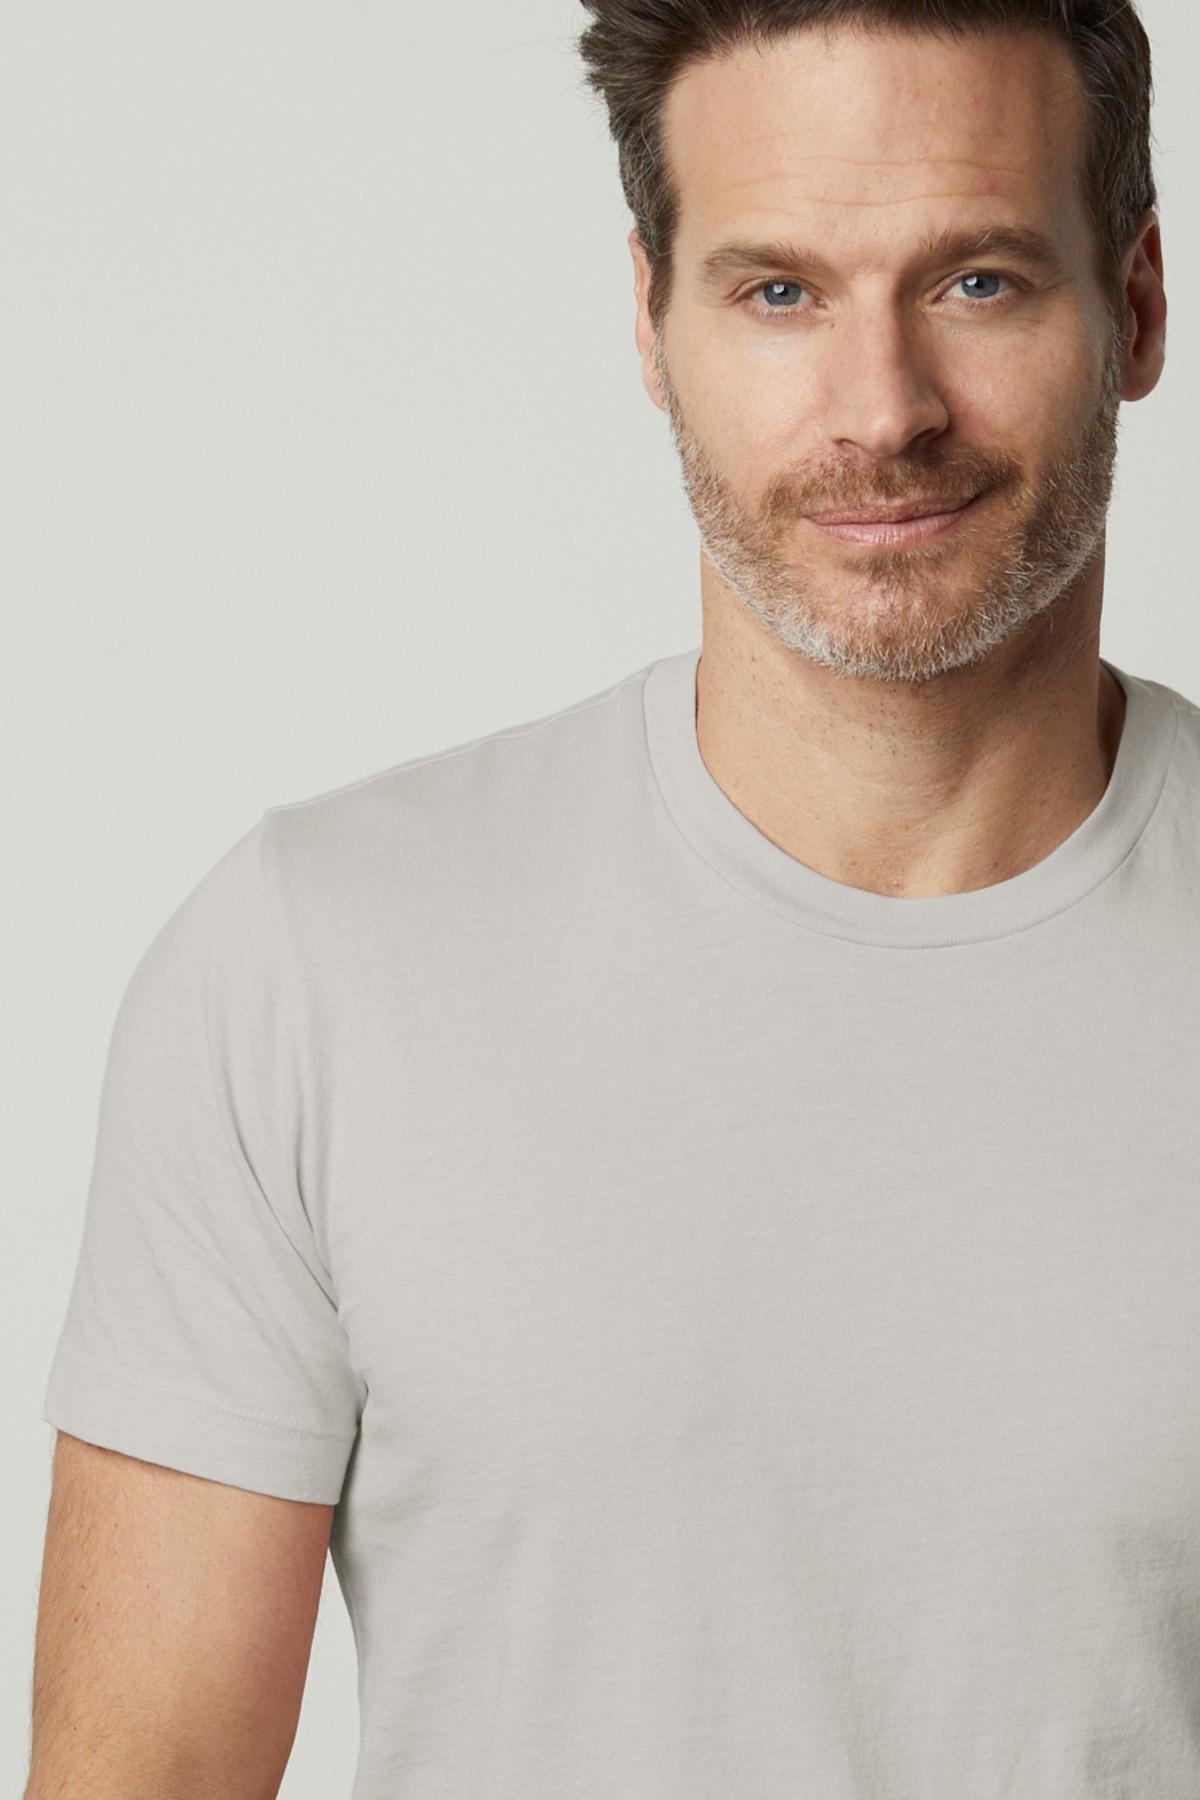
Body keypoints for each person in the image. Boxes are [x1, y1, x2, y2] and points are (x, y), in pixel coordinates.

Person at [25, 1, 1194, 1795]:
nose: (881, 412)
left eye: (975, 282)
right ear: (650, 321)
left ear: (1136, 303)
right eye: (777, 292)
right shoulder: (322, 960)